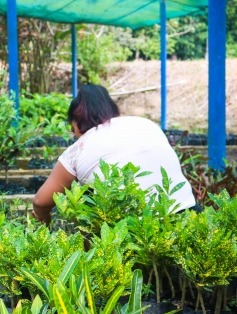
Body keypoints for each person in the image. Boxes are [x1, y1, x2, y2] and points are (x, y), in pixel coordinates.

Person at [33, 84, 196, 223]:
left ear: (77, 122)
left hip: (131, 231)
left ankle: (92, 260)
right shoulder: (146, 124)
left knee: (88, 199)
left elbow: (41, 202)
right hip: (186, 215)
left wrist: (44, 219)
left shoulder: (80, 147)